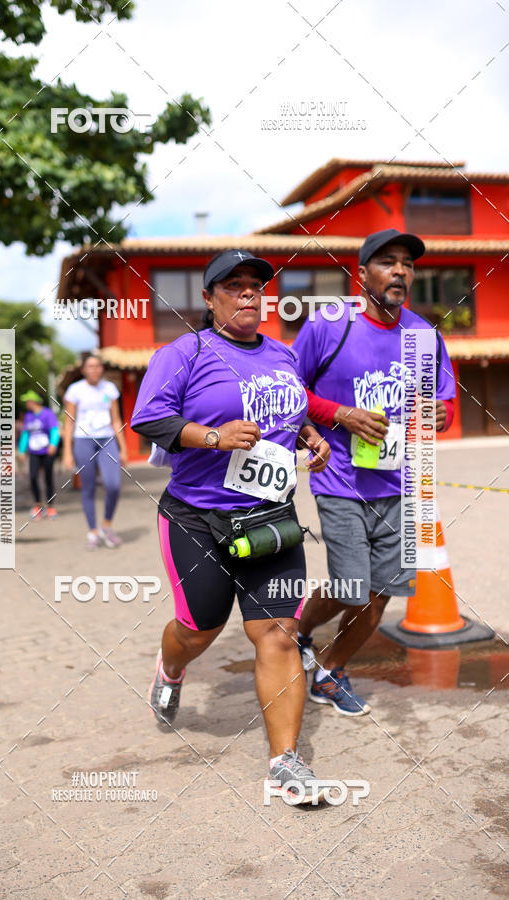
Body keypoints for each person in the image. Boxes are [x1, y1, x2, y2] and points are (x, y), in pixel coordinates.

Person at [132, 249, 333, 803]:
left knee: (276, 632)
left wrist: (306, 438)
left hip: (270, 515)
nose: (249, 293)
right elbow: (148, 417)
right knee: (199, 628)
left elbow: (285, 418)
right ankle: (171, 669)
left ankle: (285, 763)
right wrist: (213, 436)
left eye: (256, 285)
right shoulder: (185, 352)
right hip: (197, 516)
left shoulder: (283, 355)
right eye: (235, 285)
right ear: (210, 297)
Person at [292, 228, 457, 715]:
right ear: (361, 273)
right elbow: (289, 392)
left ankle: (330, 671)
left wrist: (439, 414)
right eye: (388, 261)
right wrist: (340, 415)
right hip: (340, 480)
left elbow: (443, 404)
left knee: (381, 596)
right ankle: (301, 630)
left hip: (399, 485)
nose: (400, 271)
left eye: (407, 263)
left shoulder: (425, 336)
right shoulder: (328, 326)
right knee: (352, 587)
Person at [62, 354, 128, 549]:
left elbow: (116, 419)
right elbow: (69, 422)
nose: (95, 369)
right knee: (88, 487)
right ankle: (92, 532)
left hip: (107, 439)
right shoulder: (75, 390)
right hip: (83, 441)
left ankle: (106, 526)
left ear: (102, 368)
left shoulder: (110, 389)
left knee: (113, 485)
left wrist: (123, 448)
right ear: (83, 370)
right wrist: (67, 452)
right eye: (90, 366)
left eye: (98, 366)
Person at [17, 391, 60, 519]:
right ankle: (37, 505)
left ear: (34, 401)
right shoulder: (28, 416)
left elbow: (54, 430)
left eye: (27, 401)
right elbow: (25, 433)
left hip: (47, 452)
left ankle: (50, 507)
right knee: (33, 477)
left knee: (48, 478)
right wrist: (21, 450)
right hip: (34, 452)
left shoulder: (48, 414)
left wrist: (53, 444)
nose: (26, 403)